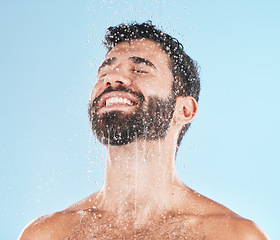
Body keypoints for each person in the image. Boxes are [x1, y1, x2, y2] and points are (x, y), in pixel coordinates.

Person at [19, 21, 269, 240]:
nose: (112, 78)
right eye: (104, 72)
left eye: (139, 70)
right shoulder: (47, 234)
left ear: (183, 109)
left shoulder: (231, 235)